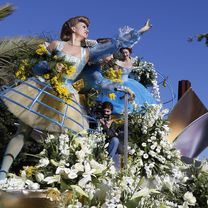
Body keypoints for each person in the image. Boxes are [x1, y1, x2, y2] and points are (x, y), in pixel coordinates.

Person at [0, 16, 152, 179]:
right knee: (23, 131)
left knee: (67, 139)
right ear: (73, 28)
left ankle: (60, 177)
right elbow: (36, 67)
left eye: (87, 27)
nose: (87, 29)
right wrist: (50, 66)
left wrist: (139, 32)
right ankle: (2, 174)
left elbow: (113, 46)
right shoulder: (56, 45)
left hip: (66, 96)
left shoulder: (86, 53)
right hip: (43, 88)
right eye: (83, 26)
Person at [99, 102, 121, 169]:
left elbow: (111, 135)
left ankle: (108, 162)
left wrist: (105, 126)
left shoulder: (113, 123)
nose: (105, 113)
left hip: (108, 146)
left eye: (108, 111)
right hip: (99, 143)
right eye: (104, 111)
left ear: (111, 112)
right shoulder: (99, 120)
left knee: (115, 140)